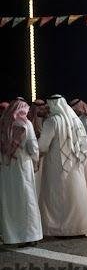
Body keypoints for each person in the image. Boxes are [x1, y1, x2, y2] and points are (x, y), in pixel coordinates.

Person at [38, 95, 87, 237]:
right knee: (75, 195)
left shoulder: (52, 121)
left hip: (56, 166)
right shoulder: (75, 120)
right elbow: (84, 144)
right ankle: (79, 228)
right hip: (76, 165)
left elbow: (42, 146)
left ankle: (59, 229)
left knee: (58, 196)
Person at [0, 98, 43, 246]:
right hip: (22, 166)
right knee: (27, 200)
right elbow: (33, 147)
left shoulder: (3, 123)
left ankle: (12, 236)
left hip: (6, 168)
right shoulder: (26, 124)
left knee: (10, 201)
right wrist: (36, 161)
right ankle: (30, 236)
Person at [28, 99, 49, 198]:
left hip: (44, 149)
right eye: (37, 107)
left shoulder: (47, 119)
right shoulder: (28, 118)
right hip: (32, 149)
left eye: (41, 107)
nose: (39, 109)